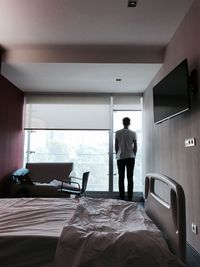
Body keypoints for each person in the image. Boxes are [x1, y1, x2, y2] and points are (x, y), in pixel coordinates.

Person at [115, 117, 137, 201]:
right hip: (131, 157)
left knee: (121, 177)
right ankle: (130, 197)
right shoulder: (133, 133)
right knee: (130, 177)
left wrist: (117, 154)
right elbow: (135, 146)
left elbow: (116, 146)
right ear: (129, 123)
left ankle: (122, 197)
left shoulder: (117, 133)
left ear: (122, 123)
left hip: (120, 157)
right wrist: (134, 155)